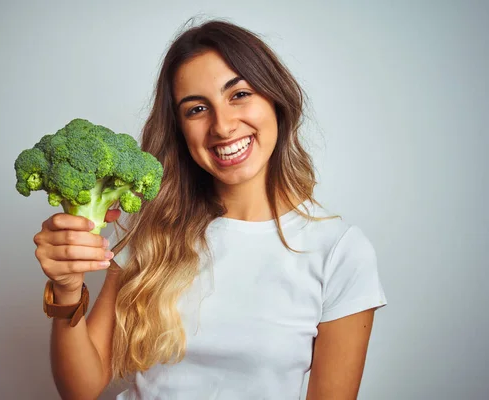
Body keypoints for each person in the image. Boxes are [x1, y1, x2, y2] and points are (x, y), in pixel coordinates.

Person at [33, 19, 387, 399]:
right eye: (197, 108)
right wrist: (67, 289)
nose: (223, 126)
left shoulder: (339, 251)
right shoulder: (151, 230)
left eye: (239, 95)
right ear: (180, 130)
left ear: (275, 99)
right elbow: (80, 389)